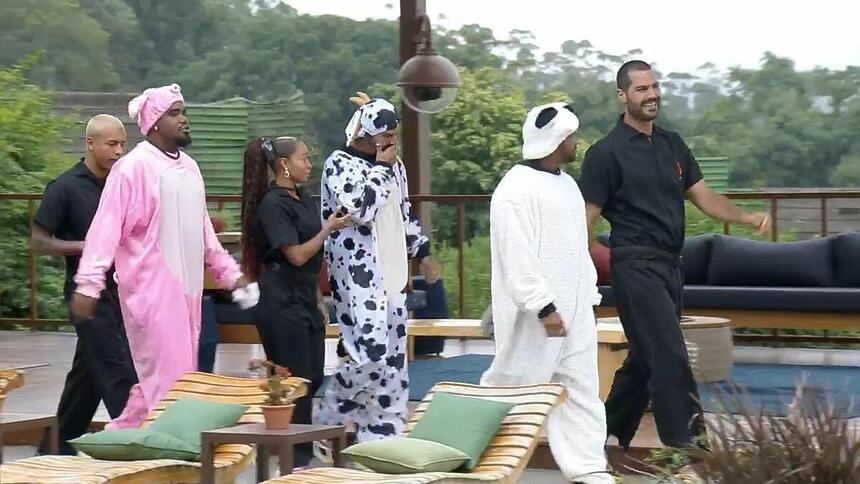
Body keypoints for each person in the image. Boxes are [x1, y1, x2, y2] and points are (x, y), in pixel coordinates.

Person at [580, 60, 770, 449]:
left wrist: (747, 217)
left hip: (670, 264)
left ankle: (605, 432)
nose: (651, 95)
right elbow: (586, 215)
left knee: (646, 356)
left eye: (654, 87)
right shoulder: (605, 153)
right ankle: (689, 448)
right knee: (669, 353)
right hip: (634, 264)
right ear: (622, 96)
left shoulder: (672, 144)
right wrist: (591, 254)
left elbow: (704, 197)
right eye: (641, 89)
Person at [70, 84, 254, 429]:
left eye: (183, 112)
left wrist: (230, 274)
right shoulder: (133, 168)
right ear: (154, 122)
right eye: (174, 113)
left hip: (187, 291)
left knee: (171, 380)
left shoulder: (190, 168)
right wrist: (89, 285)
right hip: (150, 293)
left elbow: (203, 235)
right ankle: (168, 461)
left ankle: (124, 444)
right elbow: (104, 231)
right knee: (170, 384)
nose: (184, 119)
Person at [481, 103, 613, 484]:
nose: (576, 142)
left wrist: (586, 296)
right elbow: (515, 254)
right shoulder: (514, 189)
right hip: (537, 317)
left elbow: (576, 247)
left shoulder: (568, 185)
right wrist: (544, 307)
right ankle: (476, 465)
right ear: (558, 140)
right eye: (571, 136)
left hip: (575, 311)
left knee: (582, 391)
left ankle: (589, 469)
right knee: (512, 393)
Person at [315, 94, 435, 442]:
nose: (393, 142)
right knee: (369, 354)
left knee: (394, 361)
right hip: (357, 274)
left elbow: (403, 210)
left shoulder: (394, 165)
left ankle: (382, 437)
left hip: (393, 270)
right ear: (368, 136)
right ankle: (327, 422)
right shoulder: (338, 165)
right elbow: (359, 209)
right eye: (387, 136)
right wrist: (382, 168)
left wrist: (422, 252)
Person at [31, 114, 138, 454]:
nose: (118, 151)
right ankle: (140, 445)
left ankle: (54, 449)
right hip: (86, 295)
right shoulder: (64, 187)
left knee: (88, 377)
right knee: (117, 367)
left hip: (125, 291)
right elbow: (39, 242)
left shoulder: (123, 184)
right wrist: (92, 245)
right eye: (111, 144)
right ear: (90, 144)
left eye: (122, 144)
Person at [239, 136, 348, 466]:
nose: (309, 163)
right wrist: (328, 228)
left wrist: (318, 299)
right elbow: (297, 255)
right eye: (303, 157)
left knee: (313, 374)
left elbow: (310, 263)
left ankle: (298, 447)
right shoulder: (273, 205)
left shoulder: (302, 197)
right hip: (280, 300)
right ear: (284, 164)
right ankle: (296, 459)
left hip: (304, 297)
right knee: (295, 380)